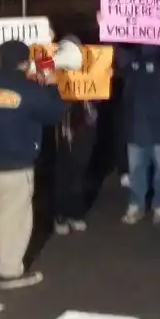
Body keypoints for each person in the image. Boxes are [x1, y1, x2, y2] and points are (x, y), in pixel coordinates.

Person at [0, 41, 66, 289]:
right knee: (13, 219)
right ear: (25, 62)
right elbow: (55, 112)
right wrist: (53, 84)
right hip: (15, 166)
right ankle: (10, 272)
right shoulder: (30, 89)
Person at [116, 35, 160, 226]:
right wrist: (107, 27)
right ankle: (136, 205)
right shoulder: (132, 60)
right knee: (137, 169)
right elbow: (119, 54)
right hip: (137, 127)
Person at [52, 36, 101, 235]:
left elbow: (97, 102)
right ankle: (60, 215)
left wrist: (103, 81)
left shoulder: (90, 71)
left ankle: (75, 213)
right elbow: (37, 64)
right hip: (62, 131)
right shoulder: (53, 69)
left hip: (84, 131)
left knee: (78, 174)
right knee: (63, 174)